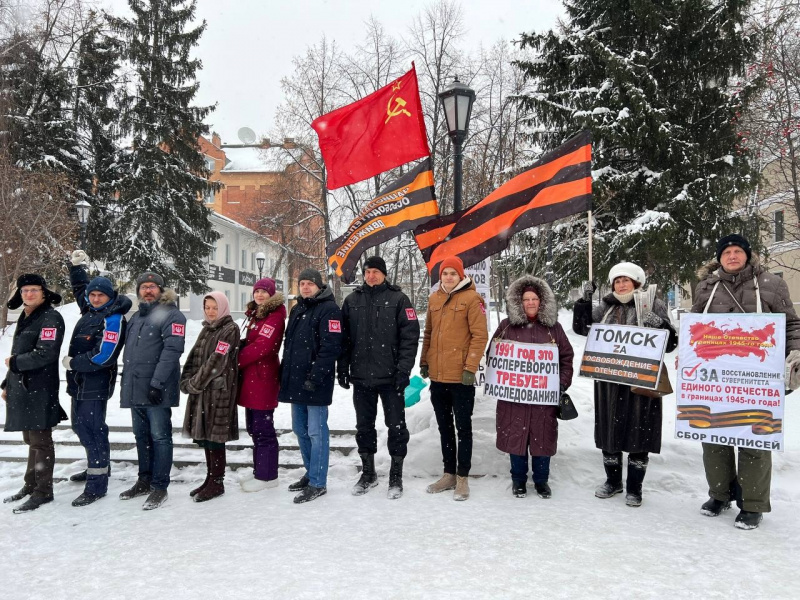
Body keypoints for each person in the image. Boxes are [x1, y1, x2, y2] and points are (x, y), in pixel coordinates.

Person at [691, 234, 800, 530]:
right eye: (727, 251)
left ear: (747, 255)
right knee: (713, 435)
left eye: (738, 250)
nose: (733, 255)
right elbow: (694, 326)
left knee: (754, 435)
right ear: (720, 258)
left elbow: (791, 322)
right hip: (716, 377)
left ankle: (752, 504)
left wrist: (795, 352)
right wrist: (687, 356)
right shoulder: (706, 287)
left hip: (757, 377)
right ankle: (719, 494)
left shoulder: (771, 284)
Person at [573, 262, 677, 507]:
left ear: (636, 282)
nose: (621, 284)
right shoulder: (606, 306)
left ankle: (635, 487)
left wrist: (658, 323)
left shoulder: (652, 303)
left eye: (625, 280)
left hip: (642, 381)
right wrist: (584, 301)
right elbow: (583, 328)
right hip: (610, 381)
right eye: (617, 281)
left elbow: (671, 342)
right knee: (610, 430)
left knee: (640, 431)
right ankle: (613, 481)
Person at [338, 256, 420, 499]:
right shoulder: (352, 301)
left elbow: (410, 338)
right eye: (367, 271)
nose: (371, 275)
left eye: (375, 271)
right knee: (364, 427)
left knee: (396, 427)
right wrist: (342, 368)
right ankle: (368, 473)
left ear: (384, 274)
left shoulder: (398, 299)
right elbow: (344, 340)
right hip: (361, 378)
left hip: (390, 378)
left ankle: (396, 476)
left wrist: (403, 370)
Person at [492, 274, 574, 499]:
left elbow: (566, 357)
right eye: (526, 299)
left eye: (534, 299)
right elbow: (494, 356)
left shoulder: (553, 329)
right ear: (519, 302)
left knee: (542, 438)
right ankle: (518, 480)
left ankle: (541, 481)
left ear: (542, 302)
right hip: (514, 398)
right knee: (516, 439)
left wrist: (560, 383)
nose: (530, 303)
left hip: (543, 398)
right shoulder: (506, 326)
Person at [64, 250, 130, 507]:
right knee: (79, 427)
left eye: (100, 294)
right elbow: (81, 287)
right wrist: (76, 266)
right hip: (78, 382)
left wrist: (74, 363)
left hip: (96, 383)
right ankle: (98, 466)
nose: (94, 297)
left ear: (110, 296)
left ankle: (97, 484)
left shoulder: (112, 318)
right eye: (92, 294)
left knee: (93, 430)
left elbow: (106, 355)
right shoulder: (90, 309)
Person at [420, 256, 488, 501]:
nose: (448, 277)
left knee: (463, 428)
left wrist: (470, 367)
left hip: (461, 378)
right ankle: (448, 473)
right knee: (444, 428)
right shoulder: (434, 298)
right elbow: (428, 333)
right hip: (438, 377)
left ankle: (462, 477)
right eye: (445, 273)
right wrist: (424, 361)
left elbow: (480, 336)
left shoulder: (472, 299)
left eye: (453, 273)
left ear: (461, 275)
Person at [118, 272, 186, 510]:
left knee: (160, 437)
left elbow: (172, 352)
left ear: (161, 289)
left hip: (157, 388)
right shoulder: (137, 316)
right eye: (144, 287)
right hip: (135, 388)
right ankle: (144, 480)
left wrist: (156, 384)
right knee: (141, 437)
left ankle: (159, 486)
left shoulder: (172, 315)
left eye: (152, 287)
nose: (148, 290)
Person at [2, 274, 66, 513]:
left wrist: (15, 363)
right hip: (23, 388)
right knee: (31, 441)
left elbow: (45, 353)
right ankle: (30, 485)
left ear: (43, 292)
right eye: (24, 290)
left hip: (40, 389)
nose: (29, 294)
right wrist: (7, 384)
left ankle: (43, 491)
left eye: (34, 290)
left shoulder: (50, 317)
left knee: (41, 442)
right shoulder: (26, 314)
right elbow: (19, 351)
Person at [278, 268, 342, 504]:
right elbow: (290, 346)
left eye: (309, 283)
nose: (305, 287)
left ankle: (318, 481)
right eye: (301, 283)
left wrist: (315, 377)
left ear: (319, 285)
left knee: (316, 432)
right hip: (296, 382)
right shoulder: (297, 309)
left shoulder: (330, 310)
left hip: (316, 383)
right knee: (300, 429)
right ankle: (310, 471)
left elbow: (331, 347)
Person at [180, 292, 240, 502]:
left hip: (219, 392)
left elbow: (217, 360)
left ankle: (217, 482)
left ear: (222, 307)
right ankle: (210, 478)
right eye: (207, 307)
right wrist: (186, 378)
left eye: (215, 307)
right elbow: (194, 356)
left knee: (215, 439)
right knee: (206, 437)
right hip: (204, 392)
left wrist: (194, 383)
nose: (211, 311)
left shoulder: (229, 329)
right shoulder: (207, 329)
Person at [237, 278, 286, 492]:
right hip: (252, 377)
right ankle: (260, 470)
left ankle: (268, 476)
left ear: (271, 295)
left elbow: (262, 347)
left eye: (264, 292)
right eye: (257, 291)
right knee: (254, 428)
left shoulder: (274, 316)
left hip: (263, 378)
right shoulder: (257, 315)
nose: (259, 295)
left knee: (263, 428)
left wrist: (235, 358)